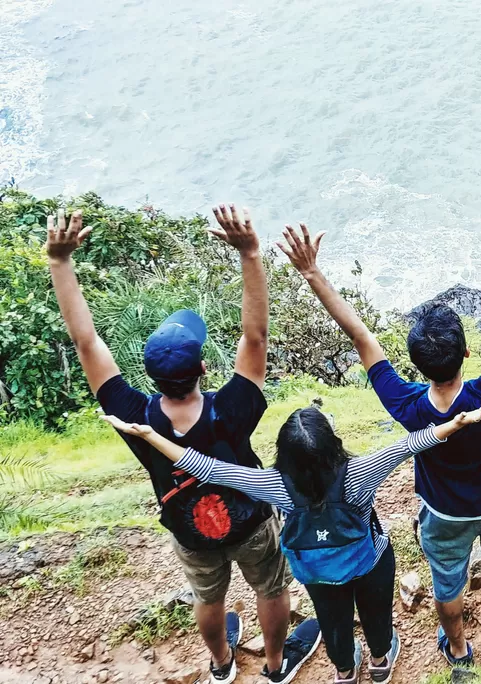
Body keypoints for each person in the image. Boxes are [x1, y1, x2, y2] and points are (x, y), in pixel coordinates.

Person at [46, 206, 318, 683]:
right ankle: (276, 667)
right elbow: (255, 335)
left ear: (148, 377)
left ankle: (220, 665)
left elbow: (86, 343)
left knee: (207, 597)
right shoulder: (232, 411)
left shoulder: (135, 419)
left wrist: (59, 263)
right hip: (251, 521)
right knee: (271, 587)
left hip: (189, 530)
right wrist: (250, 252)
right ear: (205, 371)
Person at [277, 197, 481, 668]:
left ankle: (457, 648)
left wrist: (312, 272)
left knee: (447, 583)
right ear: (465, 355)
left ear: (416, 363)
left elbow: (362, 337)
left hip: (443, 513)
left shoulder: (406, 405)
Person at [101, 402, 481, 683]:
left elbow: (209, 468)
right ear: (332, 445)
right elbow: (409, 445)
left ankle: (343, 671)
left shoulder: (275, 485)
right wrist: (453, 424)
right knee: (375, 613)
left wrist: (152, 436)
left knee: (334, 622)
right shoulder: (359, 471)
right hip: (367, 560)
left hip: (317, 571)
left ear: (283, 454)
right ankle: (380, 662)